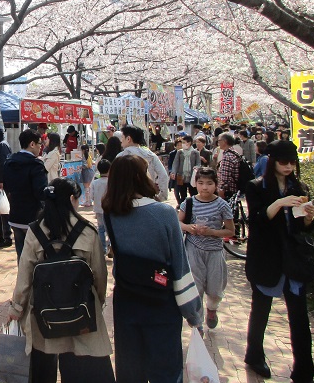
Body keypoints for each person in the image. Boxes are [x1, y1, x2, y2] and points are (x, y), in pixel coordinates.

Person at [103, 154, 200, 382]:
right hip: (160, 300)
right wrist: (193, 313)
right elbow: (180, 266)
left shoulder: (112, 214)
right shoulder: (164, 214)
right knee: (165, 368)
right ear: (139, 177)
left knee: (130, 367)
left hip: (126, 299)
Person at [8, 178, 115, 383]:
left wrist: (16, 309)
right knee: (79, 365)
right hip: (80, 310)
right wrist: (97, 304)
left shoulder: (35, 231)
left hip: (44, 313)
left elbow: (24, 277)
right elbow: (100, 276)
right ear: (72, 200)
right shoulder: (87, 231)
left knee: (42, 365)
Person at [244, 140, 314, 382]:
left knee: (299, 316)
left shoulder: (299, 186)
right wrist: (279, 203)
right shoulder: (256, 186)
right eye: (283, 162)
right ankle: (254, 356)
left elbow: (301, 228)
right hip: (266, 258)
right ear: (273, 161)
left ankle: (304, 369)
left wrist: (308, 218)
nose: (288, 167)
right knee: (261, 311)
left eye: (292, 162)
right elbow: (255, 220)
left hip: (293, 259)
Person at [178, 167, 235, 334]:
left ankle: (212, 309)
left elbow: (230, 231)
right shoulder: (188, 203)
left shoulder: (222, 205)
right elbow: (178, 223)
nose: (205, 187)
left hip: (215, 251)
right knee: (196, 288)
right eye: (201, 183)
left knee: (215, 290)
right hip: (193, 249)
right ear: (195, 184)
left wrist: (212, 233)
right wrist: (189, 227)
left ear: (215, 185)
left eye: (209, 183)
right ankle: (198, 324)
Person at [4, 129, 48, 260]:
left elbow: (6, 186)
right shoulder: (36, 164)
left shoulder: (9, 162)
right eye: (40, 143)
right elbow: (41, 192)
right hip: (33, 216)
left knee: (21, 256)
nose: (41, 147)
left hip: (15, 215)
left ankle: (23, 279)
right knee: (37, 257)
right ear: (32, 144)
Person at [116, 125, 170, 202]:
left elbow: (115, 178)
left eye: (122, 137)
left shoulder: (121, 156)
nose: (121, 140)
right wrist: (162, 196)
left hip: (126, 198)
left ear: (128, 139)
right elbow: (163, 175)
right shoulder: (150, 155)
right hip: (148, 196)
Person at [88, 159, 111, 256]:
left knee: (101, 228)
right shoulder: (110, 182)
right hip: (109, 209)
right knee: (110, 228)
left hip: (98, 208)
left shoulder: (95, 182)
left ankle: (103, 248)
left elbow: (91, 196)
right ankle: (110, 246)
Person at [171, 135, 200, 207]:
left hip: (191, 176)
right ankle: (183, 206)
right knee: (182, 192)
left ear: (189, 143)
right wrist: (173, 172)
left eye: (184, 142)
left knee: (193, 191)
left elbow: (198, 163)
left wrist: (197, 168)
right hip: (181, 175)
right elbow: (176, 163)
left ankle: (194, 205)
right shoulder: (180, 152)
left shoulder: (195, 152)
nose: (182, 144)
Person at [216, 133, 240, 200]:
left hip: (227, 192)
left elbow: (225, 178)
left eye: (219, 141)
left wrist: (221, 190)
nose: (218, 143)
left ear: (225, 141)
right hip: (234, 190)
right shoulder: (234, 153)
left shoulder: (227, 156)